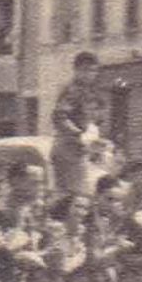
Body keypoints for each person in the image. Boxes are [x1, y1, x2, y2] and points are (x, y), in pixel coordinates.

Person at [51, 52, 105, 195]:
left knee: (82, 194)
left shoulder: (92, 92)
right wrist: (78, 134)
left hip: (82, 150)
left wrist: (96, 140)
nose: (90, 74)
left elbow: (96, 121)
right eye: (85, 70)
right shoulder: (71, 90)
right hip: (68, 148)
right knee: (75, 197)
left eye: (93, 70)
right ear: (76, 70)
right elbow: (60, 117)